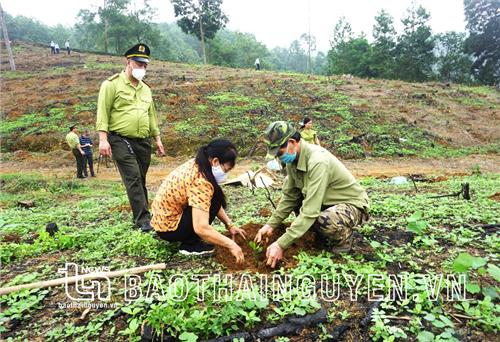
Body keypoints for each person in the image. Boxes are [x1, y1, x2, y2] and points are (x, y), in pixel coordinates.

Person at [254, 121, 370, 268]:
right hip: (325, 203)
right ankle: (319, 237)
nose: (278, 158)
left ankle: (343, 240)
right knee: (299, 204)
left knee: (324, 220)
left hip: (351, 205)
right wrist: (270, 225)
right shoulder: (292, 161)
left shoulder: (317, 161)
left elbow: (310, 210)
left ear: (292, 142)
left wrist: (280, 245)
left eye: (279, 153)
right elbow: (290, 197)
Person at [96, 43, 165, 233]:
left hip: (142, 141)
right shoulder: (111, 84)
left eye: (145, 65)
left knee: (140, 178)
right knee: (133, 177)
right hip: (119, 139)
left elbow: (151, 116)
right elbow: (103, 112)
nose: (142, 68)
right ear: (128, 62)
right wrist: (103, 139)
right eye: (138, 63)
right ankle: (143, 219)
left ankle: (144, 214)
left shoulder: (146, 89)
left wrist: (157, 139)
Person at [151, 139, 245, 261]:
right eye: (225, 170)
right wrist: (231, 245)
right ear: (215, 161)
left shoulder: (198, 164)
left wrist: (230, 225)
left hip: (161, 221)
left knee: (215, 196)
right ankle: (190, 245)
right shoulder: (201, 181)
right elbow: (201, 228)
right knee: (214, 197)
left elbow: (211, 202)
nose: (225, 175)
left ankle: (188, 238)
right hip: (169, 228)